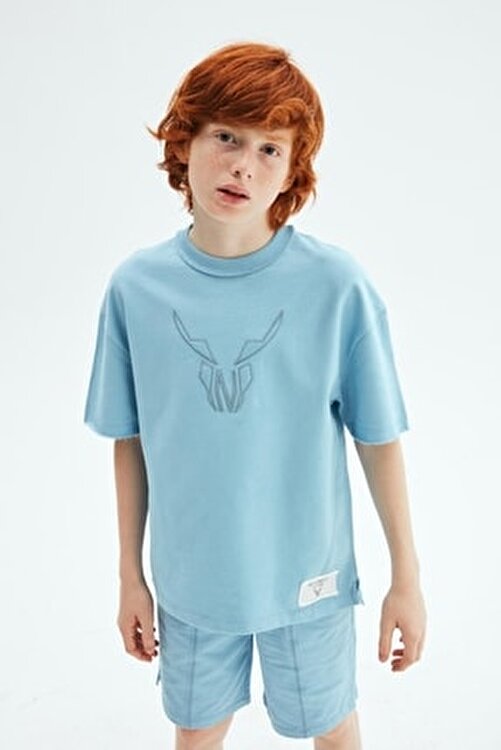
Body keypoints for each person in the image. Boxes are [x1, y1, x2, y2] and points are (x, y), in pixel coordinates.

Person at [83, 41, 427, 749]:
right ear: (185, 142)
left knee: (331, 729)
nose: (243, 164)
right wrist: (129, 577)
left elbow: (378, 439)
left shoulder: (336, 287)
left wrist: (406, 578)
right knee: (197, 732)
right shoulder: (136, 290)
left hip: (309, 582)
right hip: (191, 585)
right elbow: (130, 440)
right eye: (226, 137)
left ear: (293, 170)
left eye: (270, 148)